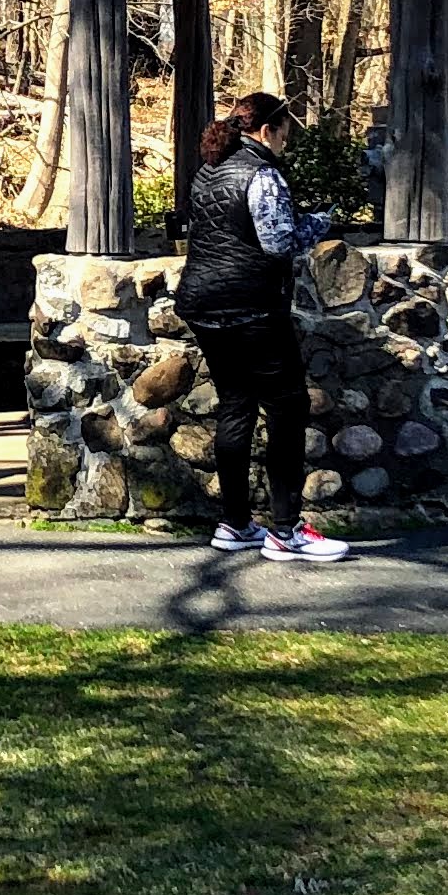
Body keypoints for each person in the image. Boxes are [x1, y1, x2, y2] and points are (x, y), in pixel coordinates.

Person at [176, 89, 351, 562]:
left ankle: (235, 523)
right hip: (252, 305)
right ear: (268, 130)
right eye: (286, 133)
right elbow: (277, 242)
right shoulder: (262, 173)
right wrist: (317, 223)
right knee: (287, 408)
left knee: (235, 405)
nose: (287, 144)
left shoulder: (209, 169)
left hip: (203, 305)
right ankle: (287, 530)